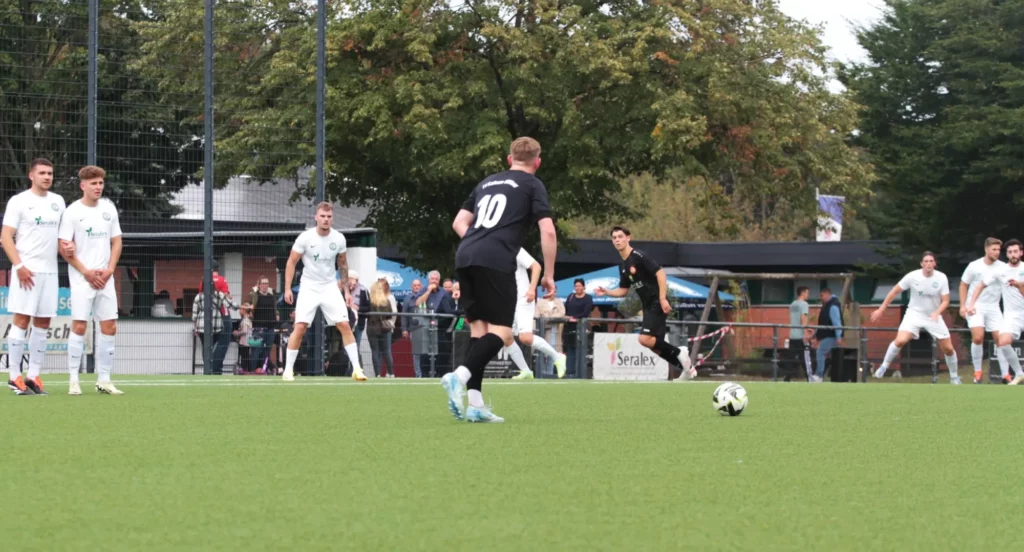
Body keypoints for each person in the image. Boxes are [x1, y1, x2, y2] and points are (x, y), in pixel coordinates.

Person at [441, 137, 557, 423]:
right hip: (495, 260)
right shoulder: (533, 185)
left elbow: (458, 223)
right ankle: (459, 376)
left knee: (480, 333)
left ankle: (476, 404)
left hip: (466, 256)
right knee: (504, 333)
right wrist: (550, 274)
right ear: (537, 162)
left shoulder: (487, 182)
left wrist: (479, 241)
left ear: (509, 159)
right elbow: (549, 231)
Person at [57, 165, 124, 395]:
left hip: (106, 279)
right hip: (82, 279)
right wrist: (85, 272)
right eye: (93, 183)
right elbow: (63, 246)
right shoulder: (72, 212)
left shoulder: (109, 209)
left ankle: (104, 380)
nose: (98, 187)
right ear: (83, 185)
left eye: (100, 183)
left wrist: (109, 270)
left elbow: (117, 241)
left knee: (110, 326)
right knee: (79, 326)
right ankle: (74, 380)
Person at [595, 226, 694, 379]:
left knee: (644, 339)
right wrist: (607, 292)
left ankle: (680, 352)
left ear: (628, 238)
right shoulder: (623, 266)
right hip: (647, 305)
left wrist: (662, 299)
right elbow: (623, 290)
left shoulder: (639, 256)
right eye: (614, 238)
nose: (617, 240)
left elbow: (660, 274)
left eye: (620, 236)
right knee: (655, 346)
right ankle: (687, 369)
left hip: (656, 301)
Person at [1, 158, 65, 395]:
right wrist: (19, 266)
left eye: (50, 173)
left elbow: (61, 236)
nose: (47, 177)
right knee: (21, 320)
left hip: (50, 272)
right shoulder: (19, 201)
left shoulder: (58, 201)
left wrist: (67, 248)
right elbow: (6, 237)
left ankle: (33, 376)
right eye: (42, 173)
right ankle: (14, 376)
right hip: (26, 271)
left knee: (44, 323)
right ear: (31, 175)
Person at [282, 202, 367, 381]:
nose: (326, 219)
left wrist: (346, 292)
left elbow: (343, 265)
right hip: (309, 286)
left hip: (329, 286)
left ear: (332, 218)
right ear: (316, 217)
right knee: (300, 327)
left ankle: (357, 369)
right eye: (322, 216)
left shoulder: (339, 239)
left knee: (344, 325)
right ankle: (288, 370)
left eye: (329, 217)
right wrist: (287, 288)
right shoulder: (305, 237)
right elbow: (291, 262)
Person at [870, 251, 960, 383]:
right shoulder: (912, 277)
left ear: (934, 263)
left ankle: (954, 377)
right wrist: (881, 309)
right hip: (914, 314)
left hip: (933, 316)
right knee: (900, 340)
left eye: (931, 261)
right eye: (926, 261)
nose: (928, 264)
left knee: (948, 348)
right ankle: (883, 367)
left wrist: (937, 312)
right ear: (921, 264)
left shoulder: (941, 278)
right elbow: (894, 291)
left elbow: (946, 301)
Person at [966, 239, 1024, 385]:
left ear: (1021, 253)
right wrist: (971, 304)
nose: (1013, 254)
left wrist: (1019, 286)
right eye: (1010, 252)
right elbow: (980, 285)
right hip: (1012, 316)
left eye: (1015, 251)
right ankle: (1019, 373)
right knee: (1003, 342)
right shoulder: (1001, 271)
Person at [508, 248, 567, 380]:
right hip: (507, 301)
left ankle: (558, 357)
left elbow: (536, 266)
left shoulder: (514, 248)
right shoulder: (491, 253)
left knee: (525, 338)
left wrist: (532, 289)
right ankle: (525, 370)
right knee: (505, 337)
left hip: (524, 298)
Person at [959, 238, 1009, 383]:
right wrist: (963, 306)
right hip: (976, 306)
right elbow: (963, 284)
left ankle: (1005, 375)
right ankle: (977, 372)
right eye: (994, 249)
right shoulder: (974, 266)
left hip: (993, 306)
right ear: (986, 249)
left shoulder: (1003, 267)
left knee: (1001, 340)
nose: (997, 252)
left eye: (999, 250)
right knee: (978, 337)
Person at [366, 279, 397, 378]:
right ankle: (391, 373)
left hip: (372, 328)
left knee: (375, 351)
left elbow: (366, 313)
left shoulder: (370, 302)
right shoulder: (386, 300)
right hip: (384, 328)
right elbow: (390, 314)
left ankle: (378, 374)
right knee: (386, 351)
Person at [563, 278, 593, 378]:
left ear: (584, 287)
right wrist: (568, 318)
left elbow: (586, 312)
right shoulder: (570, 297)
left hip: (581, 326)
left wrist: (575, 318)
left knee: (580, 349)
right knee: (570, 349)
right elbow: (565, 310)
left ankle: (580, 373)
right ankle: (570, 372)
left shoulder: (588, 298)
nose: (578, 288)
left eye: (579, 286)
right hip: (569, 327)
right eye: (576, 286)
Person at [812, 288, 843, 382]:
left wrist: (838, 336)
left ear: (827, 294)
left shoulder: (832, 306)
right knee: (826, 355)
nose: (821, 298)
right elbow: (822, 323)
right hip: (830, 335)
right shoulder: (829, 305)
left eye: (822, 296)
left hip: (831, 335)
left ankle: (819, 375)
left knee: (820, 352)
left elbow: (837, 322)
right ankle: (822, 374)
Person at [788, 286, 813, 381]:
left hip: (792, 335)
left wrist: (807, 327)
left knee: (790, 359)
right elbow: (803, 319)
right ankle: (809, 378)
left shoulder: (792, 304)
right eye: (807, 293)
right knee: (805, 359)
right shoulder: (804, 304)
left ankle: (787, 378)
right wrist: (806, 333)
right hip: (801, 336)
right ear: (802, 293)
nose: (808, 295)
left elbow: (794, 319)